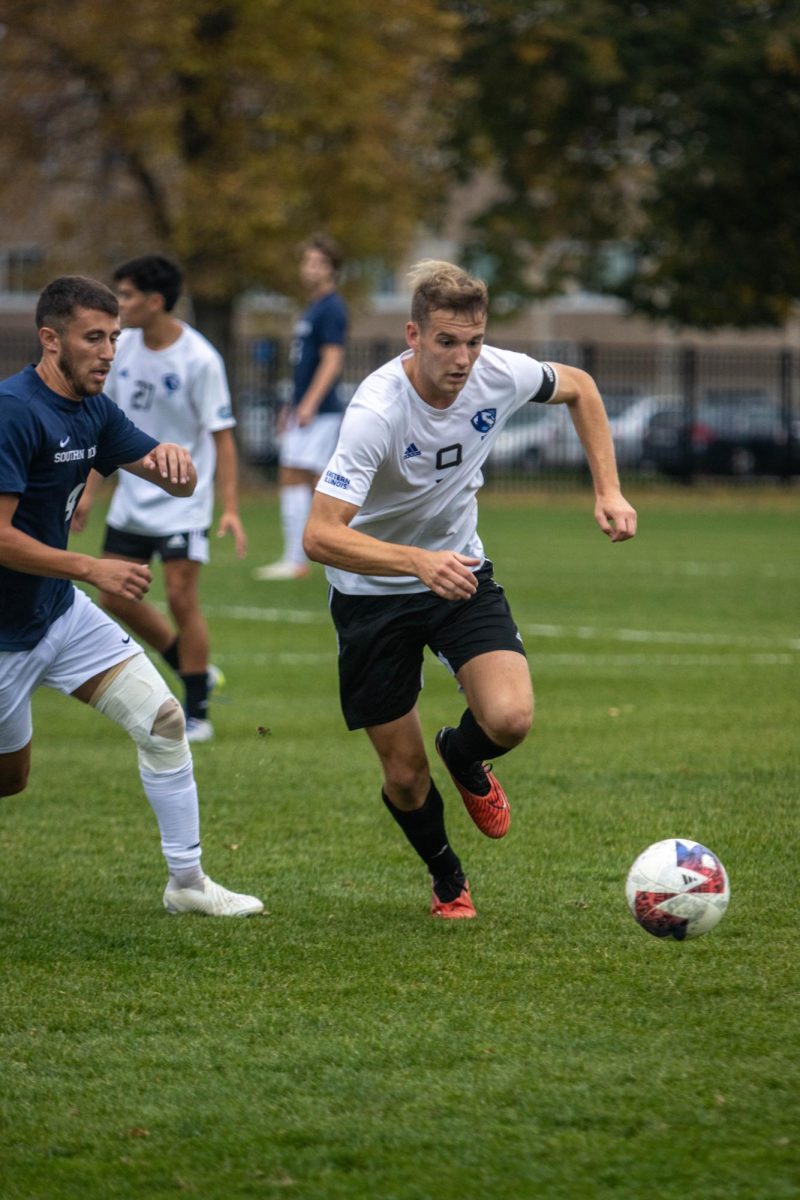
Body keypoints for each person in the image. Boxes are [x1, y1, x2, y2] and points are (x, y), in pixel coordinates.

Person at [303, 260, 637, 920]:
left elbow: (582, 389)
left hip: (459, 572)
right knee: (402, 774)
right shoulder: (376, 412)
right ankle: (446, 877)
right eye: (448, 342)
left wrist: (608, 488)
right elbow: (319, 535)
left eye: (475, 340)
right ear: (414, 336)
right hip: (371, 592)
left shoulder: (497, 374)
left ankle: (464, 752)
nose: (464, 359)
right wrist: (413, 562)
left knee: (510, 718)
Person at [0, 275, 263, 917]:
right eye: (94, 338)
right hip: (6, 633)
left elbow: (167, 475)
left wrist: (176, 463)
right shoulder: (14, 410)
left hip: (56, 616)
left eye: (115, 338)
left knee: (164, 720)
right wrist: (91, 567)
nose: (109, 352)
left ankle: (188, 884)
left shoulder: (95, 407)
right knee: (11, 780)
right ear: (49, 339)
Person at [72, 254, 246, 744]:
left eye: (126, 295)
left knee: (179, 596)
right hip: (132, 497)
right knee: (113, 595)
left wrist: (229, 506)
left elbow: (222, 436)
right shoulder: (121, 351)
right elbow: (107, 430)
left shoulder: (200, 359)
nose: (119, 305)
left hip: (183, 501)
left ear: (154, 301)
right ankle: (191, 667)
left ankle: (198, 711)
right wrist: (87, 491)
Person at [253, 234, 348, 581]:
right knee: (307, 478)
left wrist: (308, 404)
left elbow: (332, 359)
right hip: (306, 409)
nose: (310, 269)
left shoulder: (332, 308)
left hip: (320, 411)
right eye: (307, 262)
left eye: (318, 263)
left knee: (310, 478)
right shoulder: (313, 308)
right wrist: (291, 406)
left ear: (333, 270)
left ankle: (301, 558)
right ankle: (306, 555)